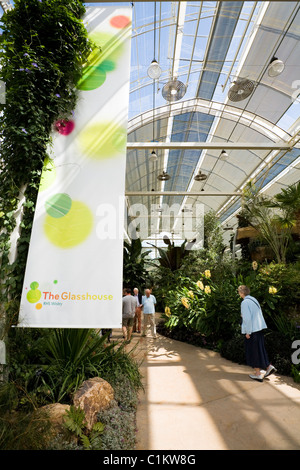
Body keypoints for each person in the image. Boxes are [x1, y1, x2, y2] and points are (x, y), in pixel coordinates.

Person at [238, 285, 276, 382]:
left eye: (239, 292)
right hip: (259, 328)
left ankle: (258, 373)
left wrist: (248, 332)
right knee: (259, 349)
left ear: (241, 293)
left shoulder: (245, 302)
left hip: (252, 330)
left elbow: (247, 318)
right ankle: (268, 366)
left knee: (252, 351)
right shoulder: (254, 300)